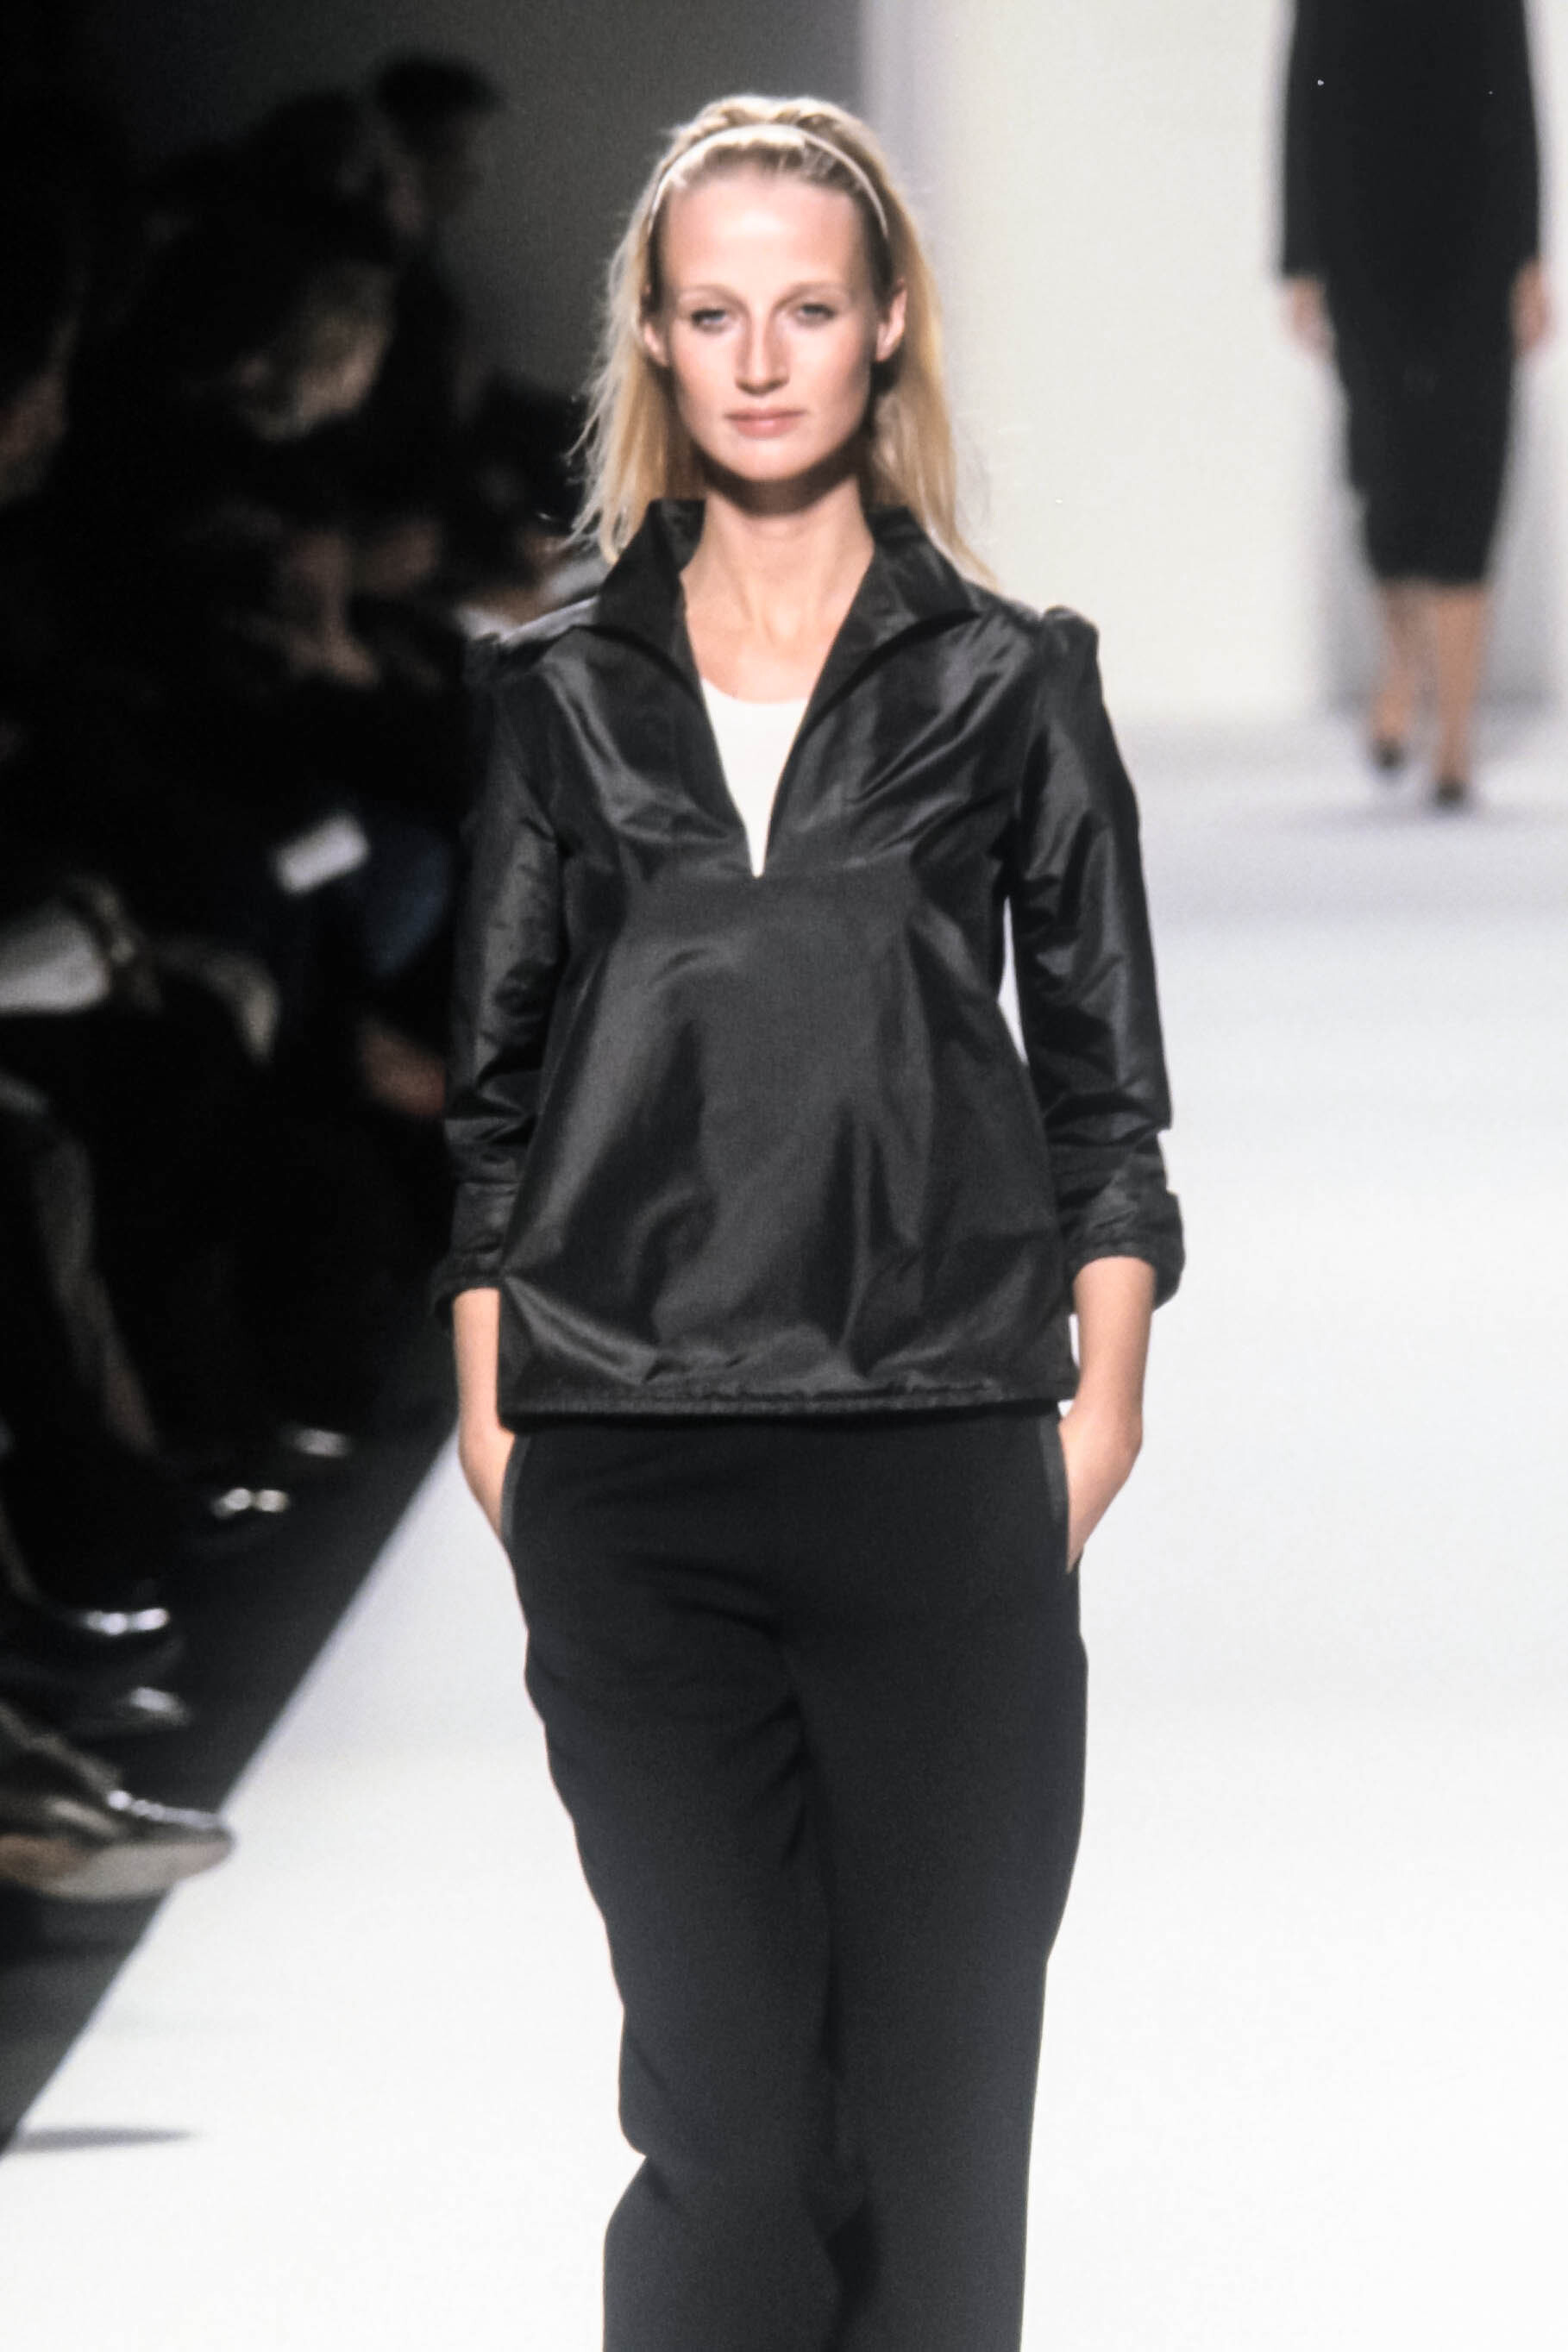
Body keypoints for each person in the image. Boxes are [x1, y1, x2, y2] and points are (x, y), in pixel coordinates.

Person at [430, 95, 1183, 2352]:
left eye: (807, 309)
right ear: (657, 344)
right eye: (714, 312)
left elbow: (1108, 1090)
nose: (761, 357)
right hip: (633, 1467)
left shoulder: (1010, 679)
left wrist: (1096, 1414)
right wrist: (503, 1421)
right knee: (731, 2118)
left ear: (882, 333)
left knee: (936, 2124)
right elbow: (492, 1095)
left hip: (939, 1449)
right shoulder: (559, 692)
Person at [1282, 0, 1551, 808]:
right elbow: (1306, 97)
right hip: (1363, 234)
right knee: (1385, 467)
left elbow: (1516, 95)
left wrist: (1531, 258)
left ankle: (1457, 734)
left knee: (1472, 463)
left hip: (1477, 236)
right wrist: (1301, 260)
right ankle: (1403, 668)